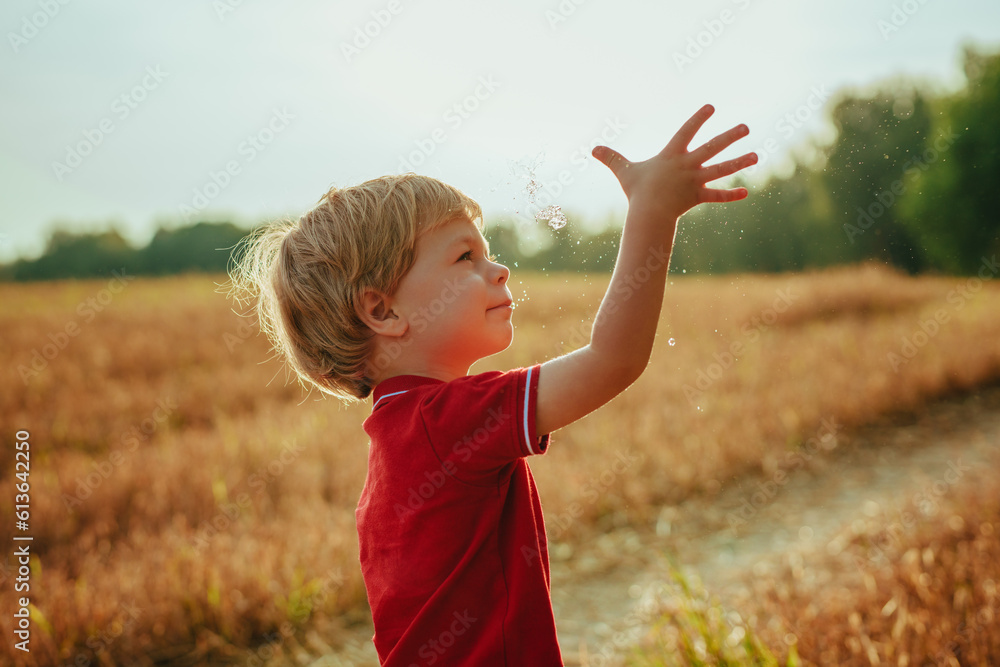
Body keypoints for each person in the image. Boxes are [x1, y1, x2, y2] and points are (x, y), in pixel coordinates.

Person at [228, 104, 756, 665]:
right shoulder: (446, 422)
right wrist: (652, 212)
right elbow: (614, 359)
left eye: (488, 252)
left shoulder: (398, 436)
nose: (498, 269)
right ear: (382, 310)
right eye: (464, 256)